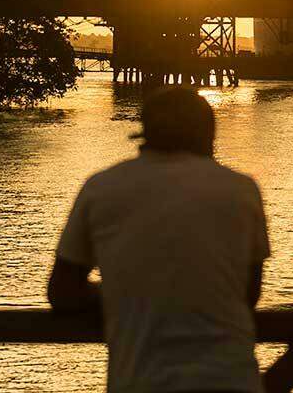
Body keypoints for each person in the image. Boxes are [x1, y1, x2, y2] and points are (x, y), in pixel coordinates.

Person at [48, 87, 271, 393]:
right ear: (209, 137)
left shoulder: (101, 188)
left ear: (145, 134)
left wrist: (123, 293)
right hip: (231, 380)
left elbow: (63, 291)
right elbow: (249, 294)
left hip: (140, 381)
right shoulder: (242, 190)